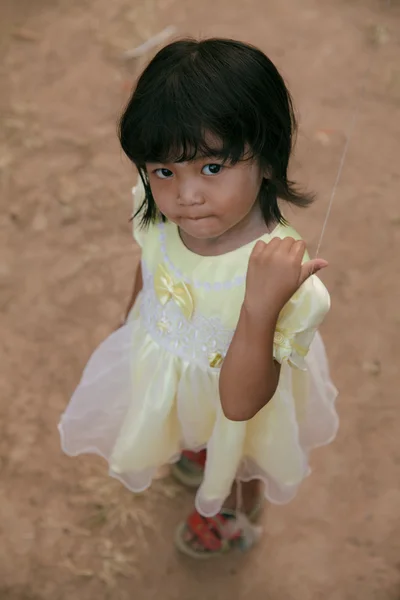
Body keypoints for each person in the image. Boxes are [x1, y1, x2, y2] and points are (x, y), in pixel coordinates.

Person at [59, 38, 339, 559]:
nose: (185, 195)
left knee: (236, 456)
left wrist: (262, 304)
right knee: (188, 429)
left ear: (269, 159)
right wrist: (131, 324)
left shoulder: (282, 275)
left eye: (212, 168)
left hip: (243, 392)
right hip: (171, 365)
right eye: (164, 170)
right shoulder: (160, 212)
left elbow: (240, 404)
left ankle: (236, 506)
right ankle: (194, 448)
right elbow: (151, 265)